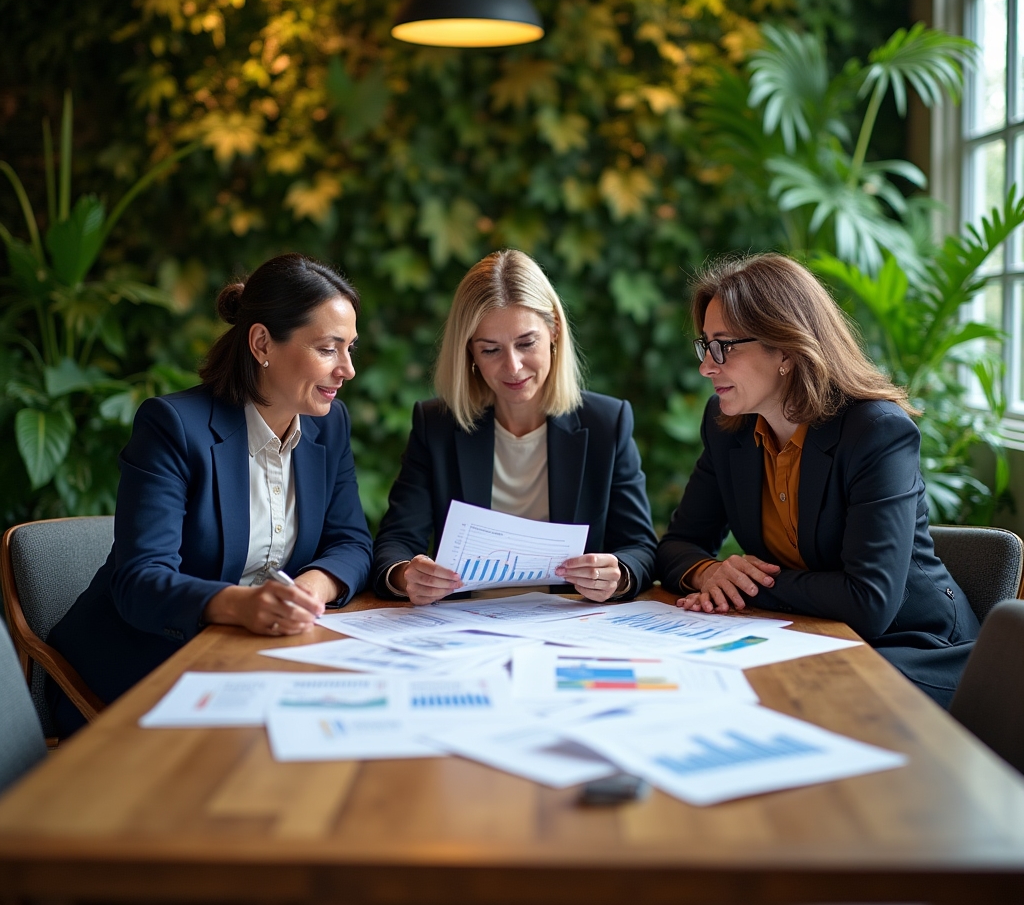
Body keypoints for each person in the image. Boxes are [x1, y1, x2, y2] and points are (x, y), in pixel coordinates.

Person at [46, 254, 373, 736]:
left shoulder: (330, 426)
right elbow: (140, 581)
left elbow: (351, 542)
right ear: (262, 343)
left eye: (350, 348)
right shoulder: (173, 427)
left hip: (255, 660)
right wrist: (242, 604)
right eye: (328, 349)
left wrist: (311, 588)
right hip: (137, 671)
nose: (346, 369)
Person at [656, 253, 979, 707]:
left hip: (914, 648)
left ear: (786, 348)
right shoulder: (727, 425)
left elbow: (868, 602)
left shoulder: (876, 431)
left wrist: (748, 584)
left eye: (724, 347)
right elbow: (677, 545)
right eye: (705, 345)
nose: (707, 366)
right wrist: (711, 571)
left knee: (775, 700)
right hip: (806, 636)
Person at [372, 249, 657, 605]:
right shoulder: (437, 427)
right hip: (462, 626)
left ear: (553, 330)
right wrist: (405, 575)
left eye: (526, 343)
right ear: (469, 354)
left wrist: (618, 574)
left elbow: (641, 548)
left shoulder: (606, 424)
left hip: (567, 624)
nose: (513, 367)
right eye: (491, 350)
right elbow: (395, 543)